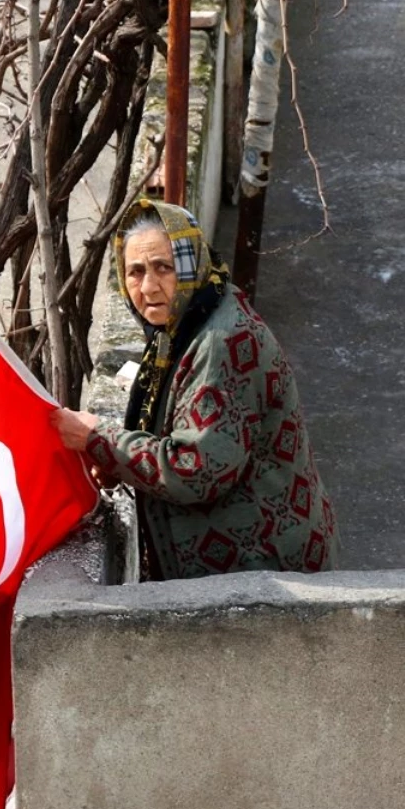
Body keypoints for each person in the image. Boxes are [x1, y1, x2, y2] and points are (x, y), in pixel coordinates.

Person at [50, 198, 338, 580]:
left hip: (267, 575)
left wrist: (99, 439)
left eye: (163, 268)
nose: (148, 287)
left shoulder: (222, 343)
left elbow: (196, 470)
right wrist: (121, 462)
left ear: (190, 267)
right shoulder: (187, 323)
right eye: (134, 272)